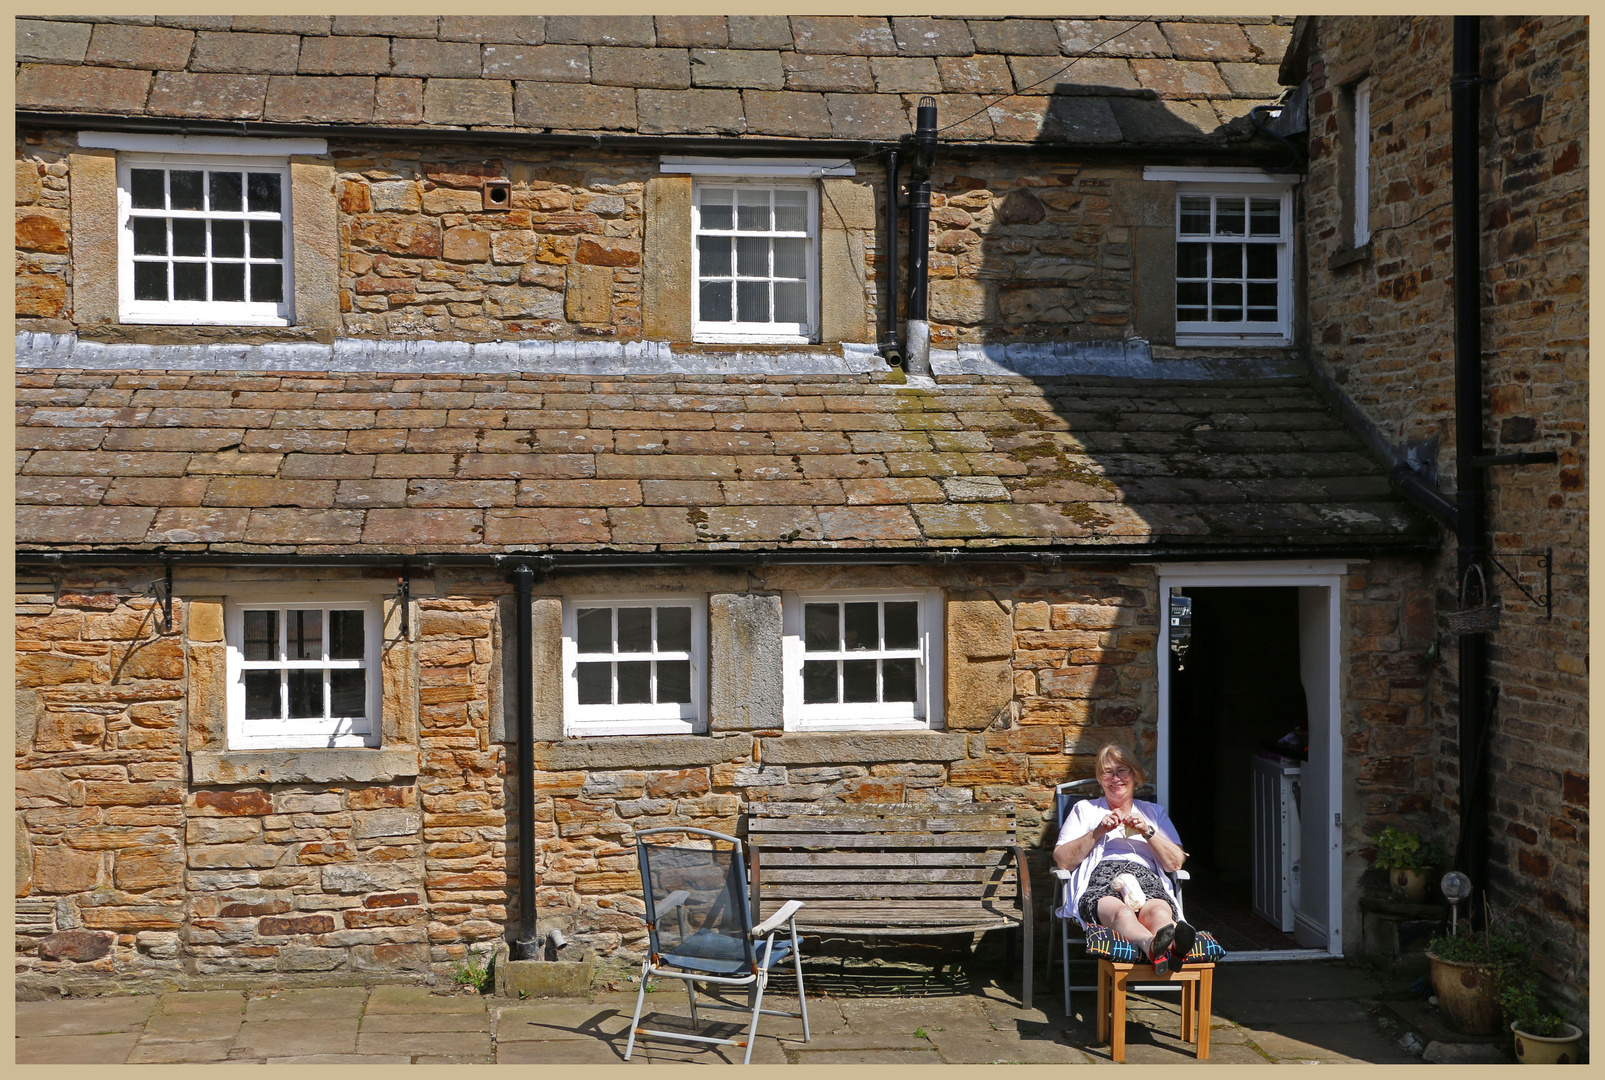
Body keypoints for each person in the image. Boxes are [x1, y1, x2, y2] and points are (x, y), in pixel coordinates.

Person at [1053, 744, 1196, 974]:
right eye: (1107, 772)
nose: (1115, 778)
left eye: (1122, 771)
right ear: (1100, 779)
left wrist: (1148, 832)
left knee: (1159, 911)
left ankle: (1173, 944)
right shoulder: (1085, 809)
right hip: (1101, 878)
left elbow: (1175, 862)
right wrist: (1097, 831)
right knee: (1121, 913)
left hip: (1145, 877)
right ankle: (1155, 946)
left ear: (1135, 775)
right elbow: (1062, 860)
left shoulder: (1153, 812)